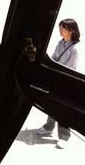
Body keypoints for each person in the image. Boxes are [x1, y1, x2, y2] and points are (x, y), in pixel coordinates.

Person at [36, 18, 81, 149]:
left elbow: (69, 69)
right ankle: (49, 127)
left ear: (71, 31)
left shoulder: (75, 50)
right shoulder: (60, 43)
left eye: (63, 28)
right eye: (60, 27)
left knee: (62, 109)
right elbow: (54, 59)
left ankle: (64, 137)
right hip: (55, 80)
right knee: (50, 104)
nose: (60, 30)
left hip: (66, 83)